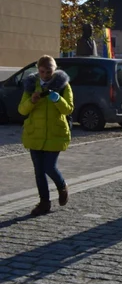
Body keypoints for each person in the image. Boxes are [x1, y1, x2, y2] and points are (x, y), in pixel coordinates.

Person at [19, 55, 73, 216]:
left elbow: (68, 109)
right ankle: (44, 203)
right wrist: (32, 101)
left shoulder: (63, 85)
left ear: (54, 70)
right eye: (42, 71)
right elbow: (21, 110)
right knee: (38, 170)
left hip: (55, 133)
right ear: (38, 70)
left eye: (48, 71)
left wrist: (57, 99)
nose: (45, 75)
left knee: (49, 166)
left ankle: (62, 186)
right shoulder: (31, 85)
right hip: (34, 133)